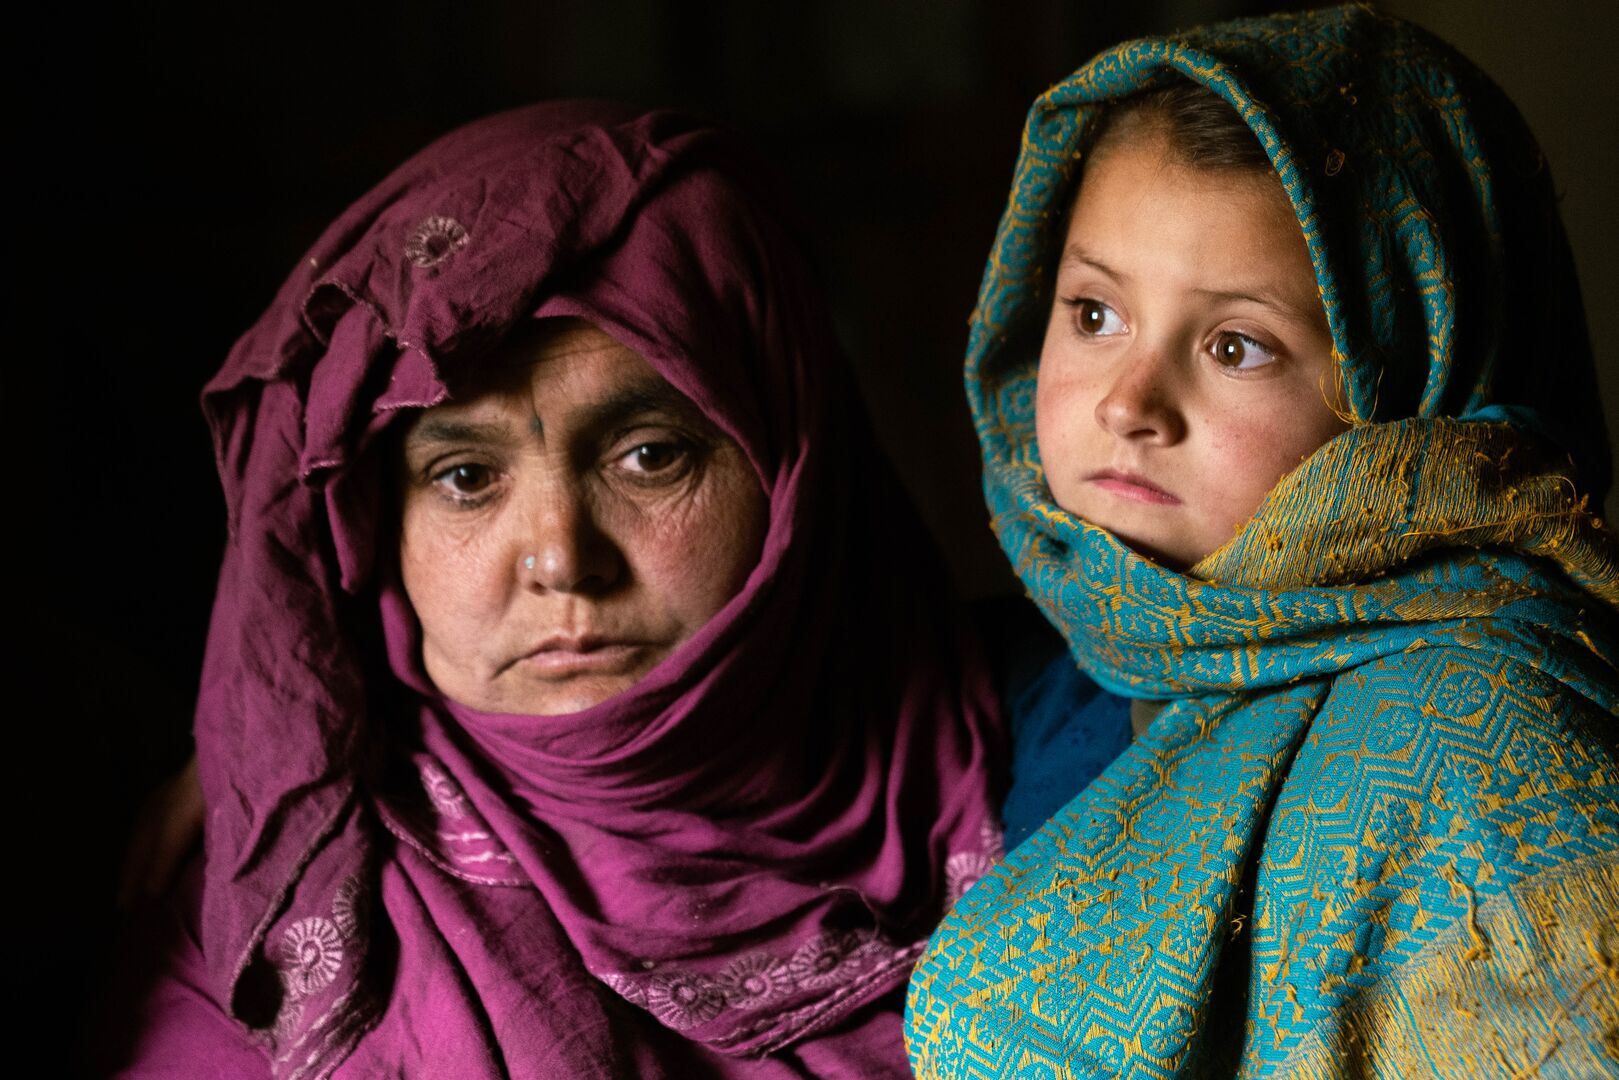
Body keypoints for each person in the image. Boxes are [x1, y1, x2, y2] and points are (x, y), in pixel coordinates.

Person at [104, 102, 1006, 1078]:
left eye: (649, 456)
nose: (559, 558)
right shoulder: (268, 928)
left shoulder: (1068, 780)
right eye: (464, 478)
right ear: (371, 529)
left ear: (794, 468)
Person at [905, 5, 1618, 1077]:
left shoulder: (1489, 750)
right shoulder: (1042, 685)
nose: (1129, 403)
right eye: (1093, 314)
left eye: (1236, 345)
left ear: (1414, 376)